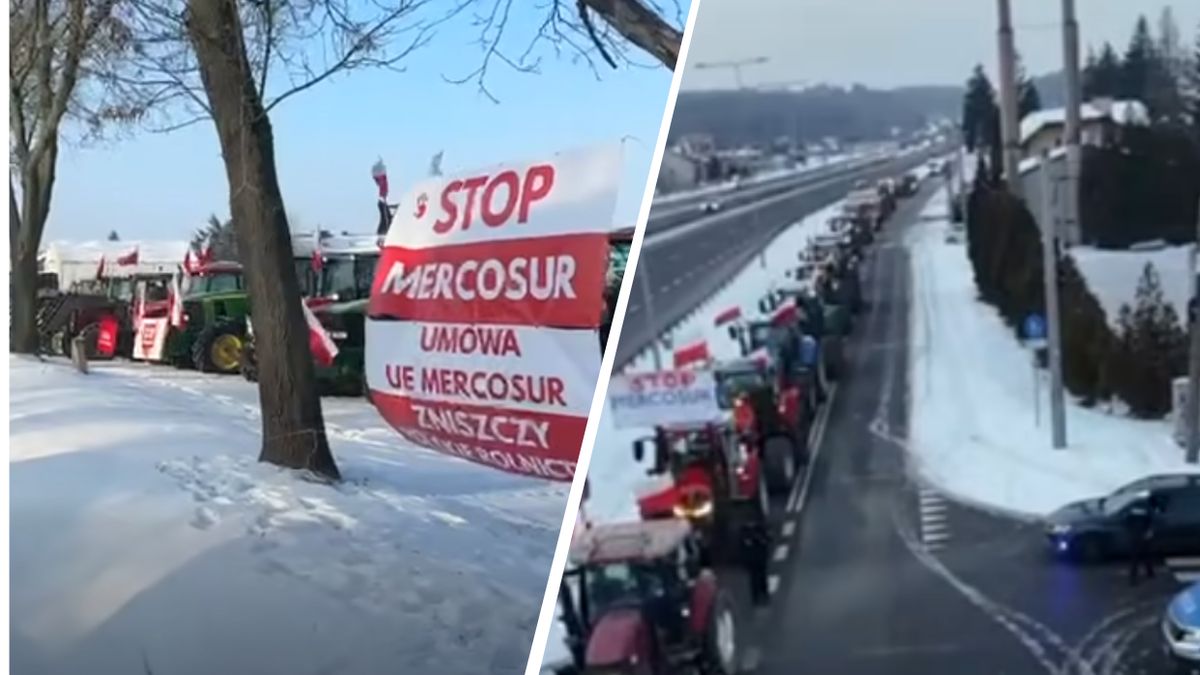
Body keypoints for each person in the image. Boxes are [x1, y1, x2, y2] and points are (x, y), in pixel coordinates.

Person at [1126, 494, 1162, 585]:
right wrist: (1150, 531)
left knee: (1135, 559)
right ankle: (1150, 573)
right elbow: (1152, 519)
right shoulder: (1147, 507)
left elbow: (1127, 521)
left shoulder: (1132, 508)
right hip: (1144, 534)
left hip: (1134, 535)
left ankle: (1133, 579)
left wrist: (1130, 531)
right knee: (1147, 555)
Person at [741, 516, 771, 605]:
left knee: (761, 576)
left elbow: (768, 538)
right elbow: (743, 545)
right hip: (753, 559)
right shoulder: (745, 531)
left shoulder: (760, 528)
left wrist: (762, 540)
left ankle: (763, 595)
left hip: (760, 557)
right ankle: (757, 597)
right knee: (754, 578)